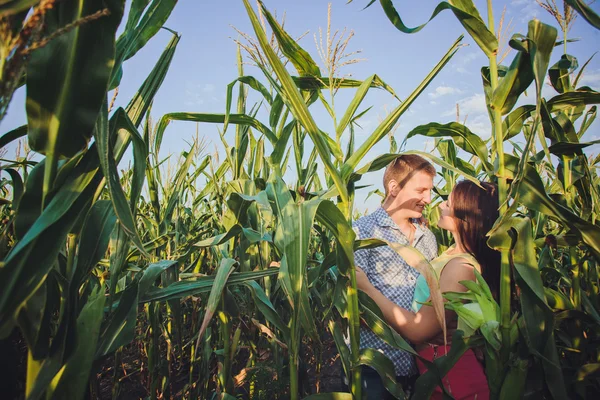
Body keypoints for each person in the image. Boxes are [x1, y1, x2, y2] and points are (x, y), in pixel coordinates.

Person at [356, 180, 499, 400]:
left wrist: (367, 289)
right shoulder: (450, 253)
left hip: (453, 373)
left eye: (449, 203)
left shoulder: (461, 267)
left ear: (467, 214)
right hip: (437, 368)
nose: (440, 205)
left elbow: (419, 330)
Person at [348, 154, 438, 398]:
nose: (428, 199)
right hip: (375, 366)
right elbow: (354, 303)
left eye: (430, 191)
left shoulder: (428, 239)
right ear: (394, 187)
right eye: (421, 190)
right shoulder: (361, 232)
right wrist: (409, 327)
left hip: (421, 365)